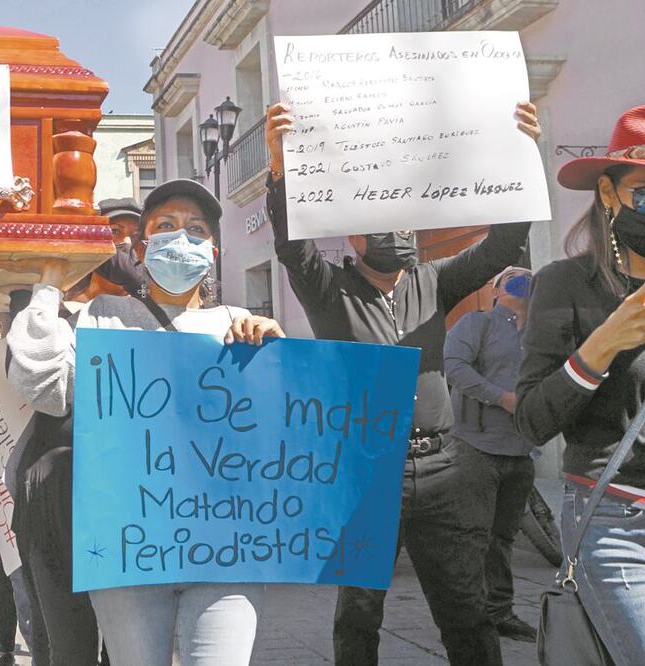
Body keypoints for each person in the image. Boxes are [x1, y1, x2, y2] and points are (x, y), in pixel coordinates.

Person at [264, 100, 542, 665]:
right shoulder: (328, 288)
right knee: (360, 610)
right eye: (384, 219)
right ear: (354, 235)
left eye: (405, 218)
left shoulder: (435, 281)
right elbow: (292, 246)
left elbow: (503, 245)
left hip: (443, 469)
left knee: (466, 607)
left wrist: (522, 155)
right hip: (367, 469)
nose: (399, 230)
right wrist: (279, 169)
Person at [2, 178, 284, 666]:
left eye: (196, 230)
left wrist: (280, 354)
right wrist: (47, 288)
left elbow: (280, 430)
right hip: (130, 548)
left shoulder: (241, 323)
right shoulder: (103, 317)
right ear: (143, 245)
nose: (182, 237)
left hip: (224, 550)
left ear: (213, 251)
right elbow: (43, 385)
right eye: (167, 226)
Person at [516, 105, 645, 665]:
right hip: (614, 522)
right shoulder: (565, 284)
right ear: (609, 193)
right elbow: (531, 420)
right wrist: (602, 344)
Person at [443, 266, 537, 642]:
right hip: (476, 447)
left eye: (528, 279)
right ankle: (468, 616)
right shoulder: (476, 324)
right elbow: (455, 369)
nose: (521, 282)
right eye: (511, 279)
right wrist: (502, 398)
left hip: (521, 451)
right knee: (473, 535)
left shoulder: (541, 332)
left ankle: (500, 612)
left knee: (503, 537)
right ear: (495, 290)